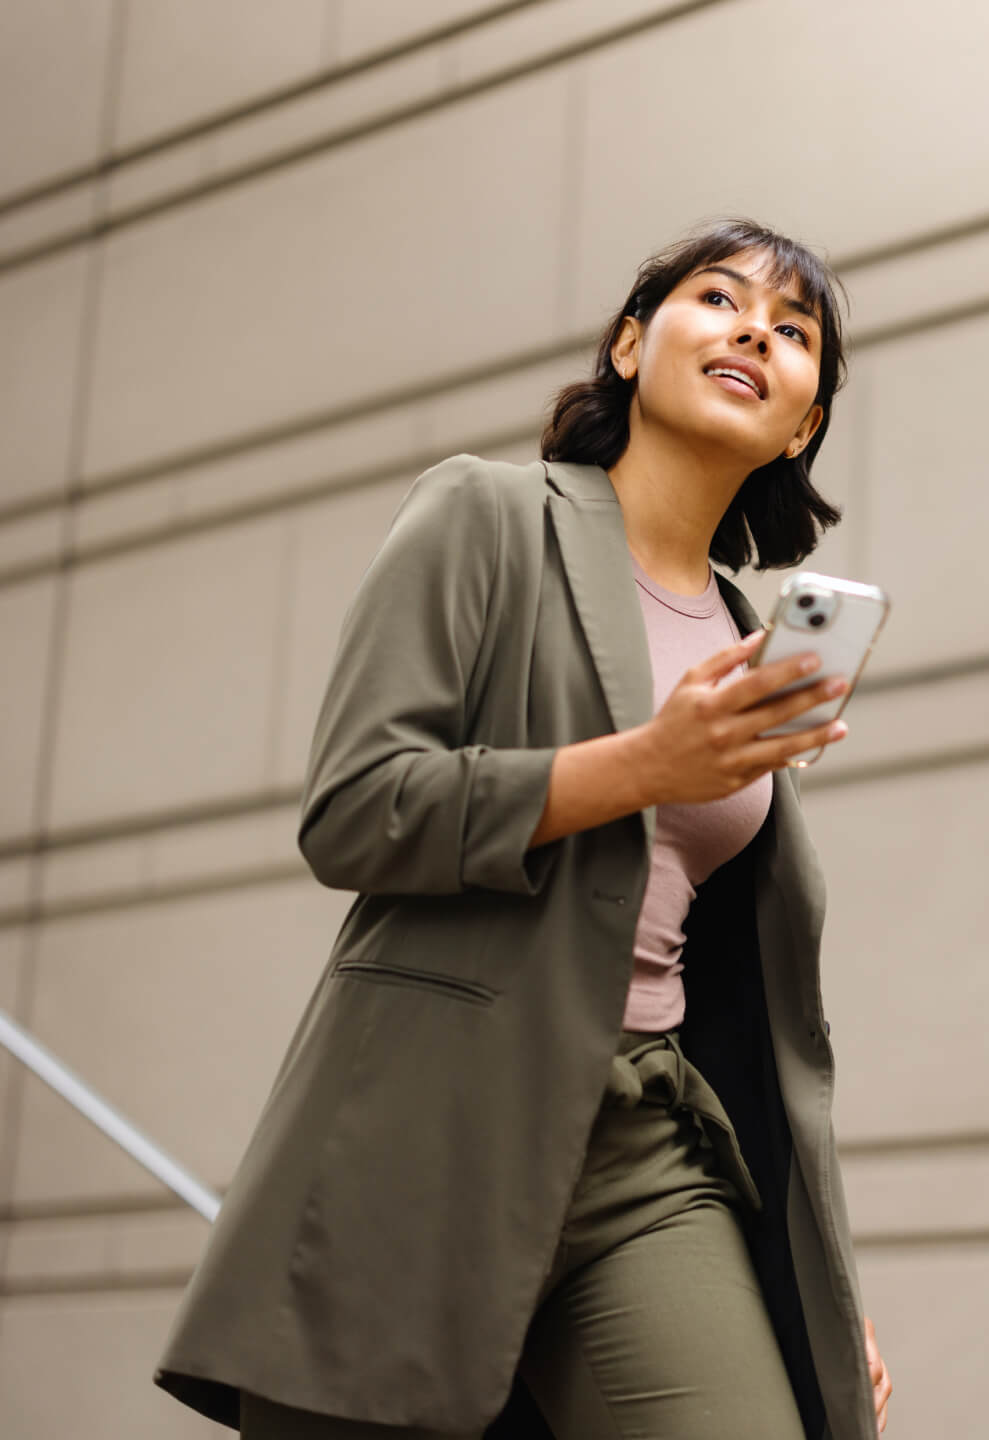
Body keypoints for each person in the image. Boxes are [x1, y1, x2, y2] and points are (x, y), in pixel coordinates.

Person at [153, 216, 894, 1438]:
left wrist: (811, 1280)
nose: (756, 328)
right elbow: (355, 809)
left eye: (794, 330)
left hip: (646, 1146)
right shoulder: (485, 516)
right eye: (718, 299)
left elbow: (741, 998)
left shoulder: (745, 634)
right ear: (626, 346)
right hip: (429, 1134)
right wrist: (645, 763)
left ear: (802, 422)